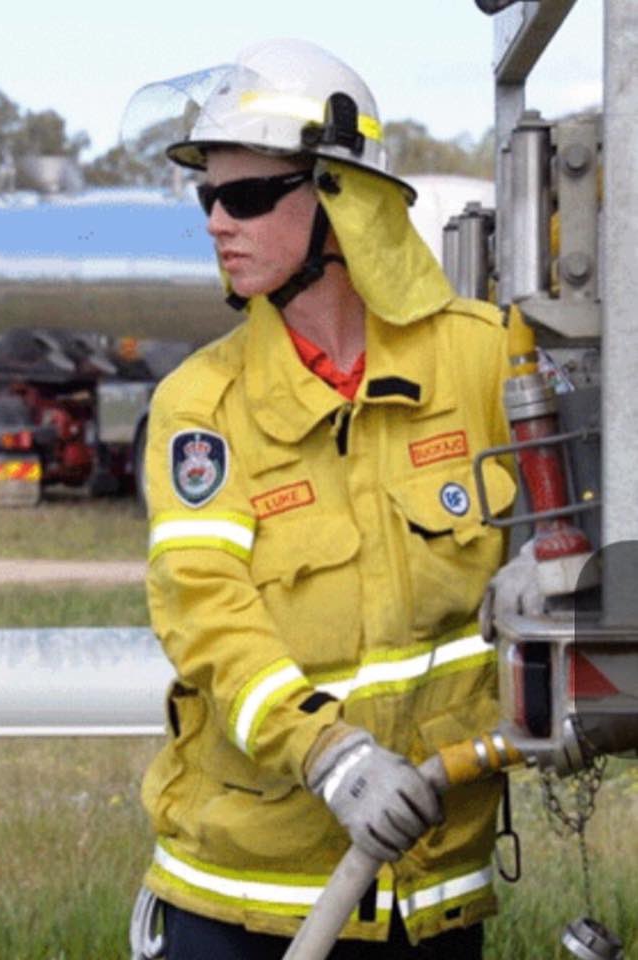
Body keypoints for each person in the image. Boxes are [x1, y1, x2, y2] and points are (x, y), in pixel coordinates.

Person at [126, 38, 517, 960]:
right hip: (244, 901)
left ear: (341, 197)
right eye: (207, 197)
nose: (219, 221)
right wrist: (329, 754)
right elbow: (205, 613)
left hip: (433, 899)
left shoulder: (486, 359)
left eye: (249, 196)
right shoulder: (202, 404)